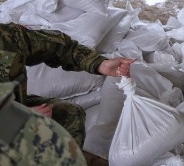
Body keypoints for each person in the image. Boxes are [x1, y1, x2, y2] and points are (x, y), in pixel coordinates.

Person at [0, 23, 134, 147]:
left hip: (14, 106)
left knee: (70, 114)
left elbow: (58, 47)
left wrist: (99, 63)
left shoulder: (6, 39)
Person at [0, 81, 91, 166]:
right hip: (8, 113)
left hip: (15, 103)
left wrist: (96, 65)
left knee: (70, 112)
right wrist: (23, 114)